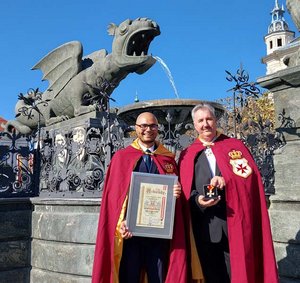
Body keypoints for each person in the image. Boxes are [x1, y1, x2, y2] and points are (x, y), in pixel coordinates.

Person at [179, 103, 279, 283]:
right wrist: (198, 201)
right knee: (212, 275)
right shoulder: (188, 154)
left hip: (236, 223)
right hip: (205, 226)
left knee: (239, 273)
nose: (205, 124)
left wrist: (228, 180)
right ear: (194, 125)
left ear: (215, 121)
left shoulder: (234, 146)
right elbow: (187, 189)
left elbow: (250, 181)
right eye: (200, 121)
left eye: (209, 119)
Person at [92, 112, 187, 283]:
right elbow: (114, 199)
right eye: (143, 126)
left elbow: (177, 197)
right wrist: (120, 223)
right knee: (130, 277)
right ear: (136, 129)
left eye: (152, 126)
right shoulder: (122, 157)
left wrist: (178, 193)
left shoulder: (168, 159)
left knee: (158, 277)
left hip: (159, 236)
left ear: (158, 129)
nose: (148, 130)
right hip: (130, 234)